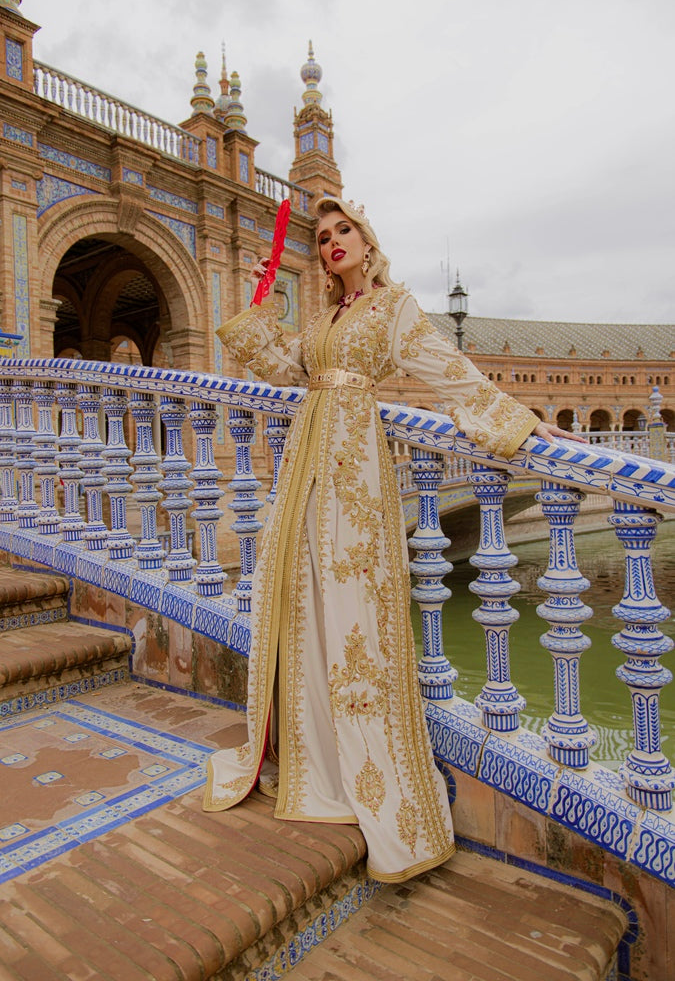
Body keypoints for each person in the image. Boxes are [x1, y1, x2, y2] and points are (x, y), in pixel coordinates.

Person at [203, 196, 581, 882]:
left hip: (353, 468)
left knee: (352, 608)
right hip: (304, 467)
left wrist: (523, 422)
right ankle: (308, 747)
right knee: (300, 594)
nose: (331, 243)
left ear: (366, 240)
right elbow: (286, 369)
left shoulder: (393, 308)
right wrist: (261, 304)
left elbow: (446, 368)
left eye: (342, 230)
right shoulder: (325, 319)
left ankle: (369, 777)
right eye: (320, 237)